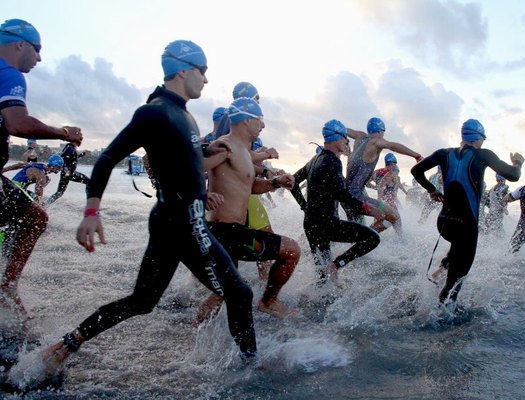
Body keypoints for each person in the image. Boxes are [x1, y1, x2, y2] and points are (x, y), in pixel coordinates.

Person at [39, 40, 258, 380]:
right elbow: (110, 156)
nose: (206, 80)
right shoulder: (155, 111)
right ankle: (250, 370)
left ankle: (66, 345)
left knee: (142, 301)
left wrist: (204, 147)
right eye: (203, 72)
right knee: (239, 293)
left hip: (176, 221)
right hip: (183, 222)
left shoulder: (184, 115)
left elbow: (184, 157)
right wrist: (91, 212)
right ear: (183, 70)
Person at [0, 18, 83, 312]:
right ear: (20, 44)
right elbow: (19, 123)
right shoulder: (8, 73)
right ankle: (7, 289)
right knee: (36, 218)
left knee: (34, 216)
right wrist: (64, 132)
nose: (39, 58)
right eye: (37, 50)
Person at [195, 97, 300, 323]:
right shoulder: (223, 146)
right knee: (291, 250)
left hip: (233, 230)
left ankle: (193, 331)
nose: (263, 125)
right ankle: (268, 302)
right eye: (260, 120)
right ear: (246, 120)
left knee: (222, 293)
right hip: (224, 232)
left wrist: (277, 183)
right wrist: (200, 195)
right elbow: (187, 169)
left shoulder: (241, 151)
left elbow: (249, 187)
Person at [411, 119, 524, 307]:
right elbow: (514, 175)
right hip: (466, 226)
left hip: (444, 223)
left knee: (456, 248)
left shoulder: (443, 153)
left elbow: (416, 170)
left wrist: (432, 190)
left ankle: (439, 272)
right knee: (454, 284)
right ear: (479, 138)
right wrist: (518, 162)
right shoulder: (483, 155)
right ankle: (443, 319)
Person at [290, 119, 387, 287]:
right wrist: (369, 209)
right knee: (372, 238)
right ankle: (337, 265)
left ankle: (321, 293)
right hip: (327, 223)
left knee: (322, 275)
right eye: (346, 140)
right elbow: (341, 194)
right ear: (339, 138)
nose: (346, 144)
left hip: (311, 223)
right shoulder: (333, 161)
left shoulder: (315, 159)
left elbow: (292, 183)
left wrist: (304, 206)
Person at [343, 117, 422, 234]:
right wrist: (416, 155)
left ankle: (358, 242)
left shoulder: (359, 136)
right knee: (394, 216)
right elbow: (392, 146)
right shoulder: (376, 141)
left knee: (355, 230)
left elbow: (341, 129)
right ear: (381, 131)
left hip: (343, 196)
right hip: (357, 197)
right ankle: (369, 236)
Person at [45, 140, 90, 205]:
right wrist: (66, 169)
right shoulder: (70, 148)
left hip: (66, 173)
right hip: (68, 173)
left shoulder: (69, 147)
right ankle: (90, 203)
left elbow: (72, 159)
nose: (80, 142)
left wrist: (81, 155)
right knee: (89, 182)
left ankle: (46, 203)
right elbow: (63, 158)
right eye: (79, 140)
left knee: (59, 193)